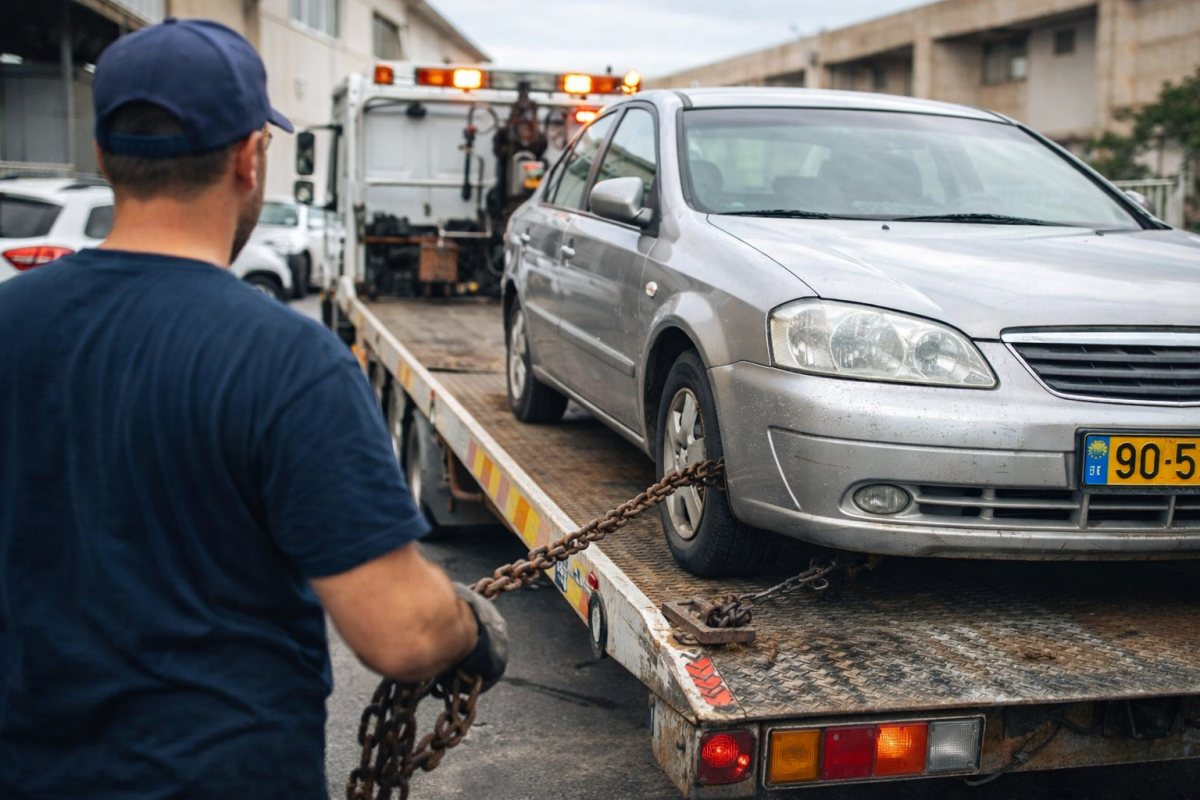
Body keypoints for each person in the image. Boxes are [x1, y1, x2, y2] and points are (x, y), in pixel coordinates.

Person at [0, 18, 506, 798]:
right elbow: (401, 632)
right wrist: (469, 629)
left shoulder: (12, 324)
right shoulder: (288, 362)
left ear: (103, 156)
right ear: (249, 155)